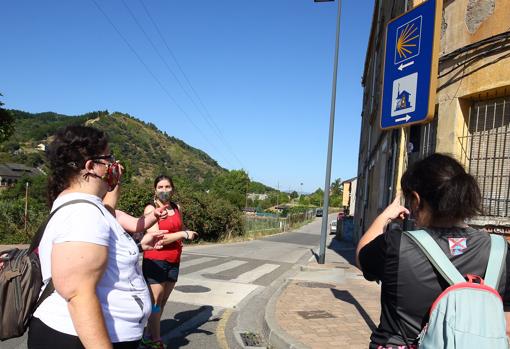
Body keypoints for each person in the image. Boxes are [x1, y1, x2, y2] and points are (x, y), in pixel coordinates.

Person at [27, 125, 164, 349]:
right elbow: (78, 293)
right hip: (76, 339)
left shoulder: (86, 206)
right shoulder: (84, 213)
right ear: (91, 167)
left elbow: (96, 260)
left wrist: (137, 247)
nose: (114, 165)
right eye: (109, 158)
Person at [356, 153, 510, 349]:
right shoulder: (500, 250)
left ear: (416, 199)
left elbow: (362, 256)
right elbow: (505, 327)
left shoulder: (396, 245)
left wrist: (385, 216)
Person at [141, 175, 198, 349]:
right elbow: (157, 238)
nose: (164, 190)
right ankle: (155, 339)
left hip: (174, 259)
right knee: (155, 302)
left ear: (172, 189)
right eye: (160, 187)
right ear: (155, 190)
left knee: (163, 301)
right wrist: (182, 235)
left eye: (167, 187)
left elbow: (177, 229)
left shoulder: (177, 207)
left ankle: (147, 334)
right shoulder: (150, 209)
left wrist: (186, 232)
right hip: (156, 261)